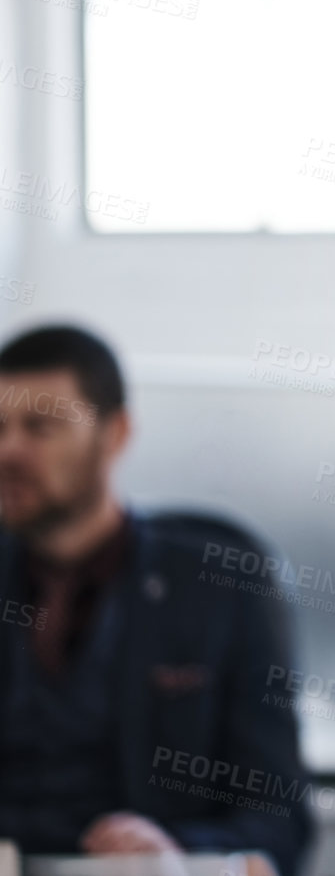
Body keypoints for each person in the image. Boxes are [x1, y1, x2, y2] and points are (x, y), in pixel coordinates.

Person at [0, 324, 308, 875]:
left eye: (39, 427)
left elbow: (278, 819)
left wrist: (177, 852)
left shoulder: (220, 585)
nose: (9, 450)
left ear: (114, 434)